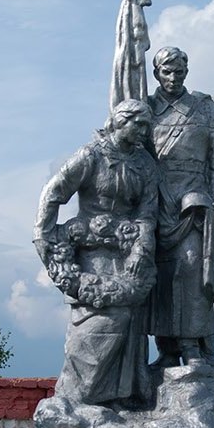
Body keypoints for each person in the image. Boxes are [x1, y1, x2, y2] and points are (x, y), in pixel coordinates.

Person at [34, 99, 159, 407]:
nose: (144, 131)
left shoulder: (145, 165)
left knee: (128, 331)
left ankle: (117, 402)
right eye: (138, 124)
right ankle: (80, 400)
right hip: (91, 256)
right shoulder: (91, 156)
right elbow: (54, 192)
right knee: (94, 329)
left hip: (127, 258)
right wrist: (43, 233)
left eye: (147, 125)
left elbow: (147, 213)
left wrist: (140, 251)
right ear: (120, 122)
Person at [146, 47, 214, 367]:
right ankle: (167, 349)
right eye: (167, 71)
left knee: (193, 266)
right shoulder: (146, 109)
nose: (174, 77)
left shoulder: (205, 110)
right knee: (159, 275)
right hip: (156, 200)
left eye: (180, 71)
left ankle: (193, 343)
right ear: (157, 73)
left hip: (193, 201)